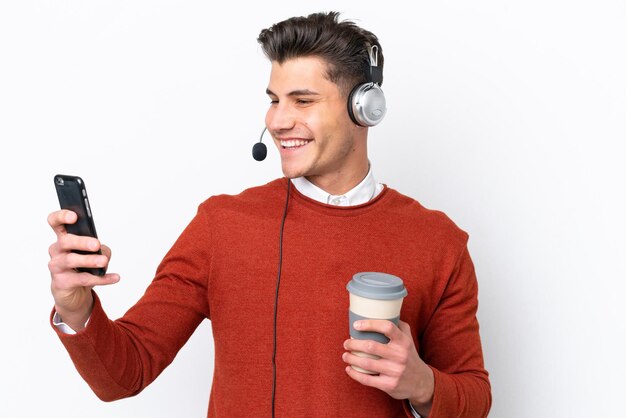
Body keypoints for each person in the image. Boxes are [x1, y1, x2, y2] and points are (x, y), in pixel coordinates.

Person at [47, 11, 491, 417]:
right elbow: (124, 374)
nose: (278, 121)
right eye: (274, 99)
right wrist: (76, 307)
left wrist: (421, 383)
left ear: (364, 108)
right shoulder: (221, 225)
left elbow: (475, 397)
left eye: (302, 100)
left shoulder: (438, 241)